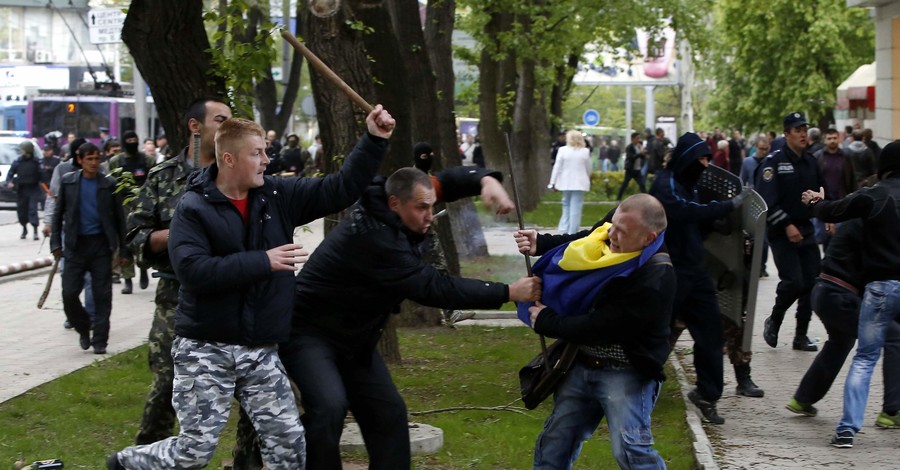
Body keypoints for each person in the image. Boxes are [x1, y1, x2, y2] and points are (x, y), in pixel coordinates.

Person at [109, 107, 397, 469]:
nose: (266, 159)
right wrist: (264, 260)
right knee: (194, 451)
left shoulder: (277, 195)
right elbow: (194, 271)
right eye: (256, 153)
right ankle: (126, 463)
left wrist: (374, 139)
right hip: (205, 348)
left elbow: (339, 188)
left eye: (265, 151)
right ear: (229, 159)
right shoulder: (193, 207)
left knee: (289, 445)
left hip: (260, 350)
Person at [279, 167, 539, 469]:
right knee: (328, 408)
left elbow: (443, 183)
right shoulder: (377, 239)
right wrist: (508, 291)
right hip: (308, 334)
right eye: (421, 208)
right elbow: (435, 288)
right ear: (394, 204)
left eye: (432, 206)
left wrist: (486, 180)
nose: (430, 215)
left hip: (354, 341)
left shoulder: (403, 196)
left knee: (388, 415)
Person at [514, 194, 674, 469]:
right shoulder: (619, 225)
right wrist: (543, 242)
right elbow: (590, 238)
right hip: (582, 361)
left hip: (627, 373)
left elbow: (601, 326)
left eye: (621, 232)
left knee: (630, 450)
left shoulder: (655, 277)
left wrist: (547, 321)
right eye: (613, 224)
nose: (612, 234)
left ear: (648, 238)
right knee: (555, 444)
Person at [124, 97, 234, 449]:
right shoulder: (163, 178)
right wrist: (172, 235)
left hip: (231, 296)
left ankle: (251, 460)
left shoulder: (236, 176)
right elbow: (134, 239)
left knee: (254, 388)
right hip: (176, 299)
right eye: (221, 119)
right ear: (195, 126)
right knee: (167, 385)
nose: (228, 127)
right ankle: (144, 457)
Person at [801, 140, 900, 448]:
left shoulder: (875, 195)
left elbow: (834, 210)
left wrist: (815, 202)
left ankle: (847, 429)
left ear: (882, 167)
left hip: (881, 288)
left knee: (866, 357)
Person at [650, 132, 752, 423]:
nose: (706, 165)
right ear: (686, 159)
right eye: (701, 159)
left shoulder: (688, 185)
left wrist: (718, 224)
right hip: (669, 271)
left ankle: (707, 394)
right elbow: (683, 212)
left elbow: (696, 221)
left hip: (695, 272)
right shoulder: (665, 184)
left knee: (710, 334)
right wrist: (727, 206)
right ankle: (634, 387)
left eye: (708, 159)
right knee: (657, 333)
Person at [785, 218, 900, 429]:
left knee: (841, 340)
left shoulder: (858, 221)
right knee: (894, 336)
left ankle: (803, 398)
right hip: (843, 296)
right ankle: (892, 411)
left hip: (824, 293)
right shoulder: (875, 226)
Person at [756, 112, 826, 353]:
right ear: (786, 134)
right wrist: (787, 225)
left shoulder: (811, 161)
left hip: (805, 228)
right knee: (794, 281)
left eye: (805, 128)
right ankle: (774, 319)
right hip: (780, 230)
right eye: (797, 130)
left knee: (812, 282)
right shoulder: (773, 162)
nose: (803, 133)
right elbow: (766, 200)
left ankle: (801, 335)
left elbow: (819, 193)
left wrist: (828, 214)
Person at [50, 142, 125, 355]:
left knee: (103, 295)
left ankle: (100, 340)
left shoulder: (108, 184)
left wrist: (124, 251)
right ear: (80, 160)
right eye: (89, 159)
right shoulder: (69, 182)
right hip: (75, 246)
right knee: (69, 293)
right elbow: (58, 215)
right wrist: (56, 243)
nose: (93, 163)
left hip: (101, 246)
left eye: (96, 158)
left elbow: (120, 219)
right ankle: (83, 327)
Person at [43, 138, 96, 331]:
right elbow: (53, 198)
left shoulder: (99, 172)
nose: (91, 163)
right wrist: (49, 222)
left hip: (93, 236)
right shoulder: (62, 170)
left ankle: (90, 316)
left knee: (91, 278)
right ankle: (73, 315)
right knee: (68, 276)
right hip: (69, 233)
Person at [106, 130, 156, 295]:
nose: (132, 142)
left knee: (142, 239)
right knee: (125, 242)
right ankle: (127, 279)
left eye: (134, 139)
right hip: (123, 207)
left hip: (143, 206)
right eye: (129, 139)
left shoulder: (147, 160)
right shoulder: (116, 161)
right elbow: (110, 183)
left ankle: (143, 270)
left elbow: (153, 182)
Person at [812, 128, 856, 251]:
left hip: (842, 202)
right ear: (825, 140)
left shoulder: (846, 157)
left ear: (839, 139)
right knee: (825, 239)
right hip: (823, 204)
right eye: (829, 138)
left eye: (834, 138)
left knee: (840, 239)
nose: (832, 141)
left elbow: (852, 179)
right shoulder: (818, 157)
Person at [548, 130, 592, 234]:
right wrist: (587, 178)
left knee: (566, 205)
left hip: (565, 182)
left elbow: (557, 167)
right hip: (580, 183)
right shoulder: (585, 151)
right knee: (576, 207)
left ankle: (564, 229)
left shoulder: (563, 150)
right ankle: (573, 232)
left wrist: (552, 182)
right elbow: (588, 168)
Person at [740, 135, 771, 276]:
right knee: (753, 238)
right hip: (752, 203)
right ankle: (752, 265)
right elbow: (742, 181)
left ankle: (762, 266)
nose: (764, 151)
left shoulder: (771, 162)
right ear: (755, 148)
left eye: (766, 149)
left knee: (764, 241)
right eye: (761, 149)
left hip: (768, 202)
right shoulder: (748, 162)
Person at [6, 141, 43, 240]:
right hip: (21, 190)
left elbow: (42, 175)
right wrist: (9, 182)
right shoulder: (18, 162)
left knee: (32, 210)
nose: (21, 151)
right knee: (22, 211)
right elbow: (10, 173)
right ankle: (24, 228)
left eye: (23, 149)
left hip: (33, 189)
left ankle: (35, 231)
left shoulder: (36, 162)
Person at [616, 132, 647, 201]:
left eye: (639, 138)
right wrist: (640, 154)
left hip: (637, 169)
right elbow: (631, 157)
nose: (638, 140)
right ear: (632, 139)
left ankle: (647, 198)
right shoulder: (629, 147)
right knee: (625, 184)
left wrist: (643, 154)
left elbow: (642, 157)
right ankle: (618, 197)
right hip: (630, 169)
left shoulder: (639, 146)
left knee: (642, 184)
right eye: (637, 138)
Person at [38, 144, 61, 211]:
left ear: (51, 151)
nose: (46, 152)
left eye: (48, 150)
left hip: (54, 184)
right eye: (45, 150)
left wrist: (50, 169)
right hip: (43, 185)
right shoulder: (40, 161)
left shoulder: (56, 160)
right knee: (44, 204)